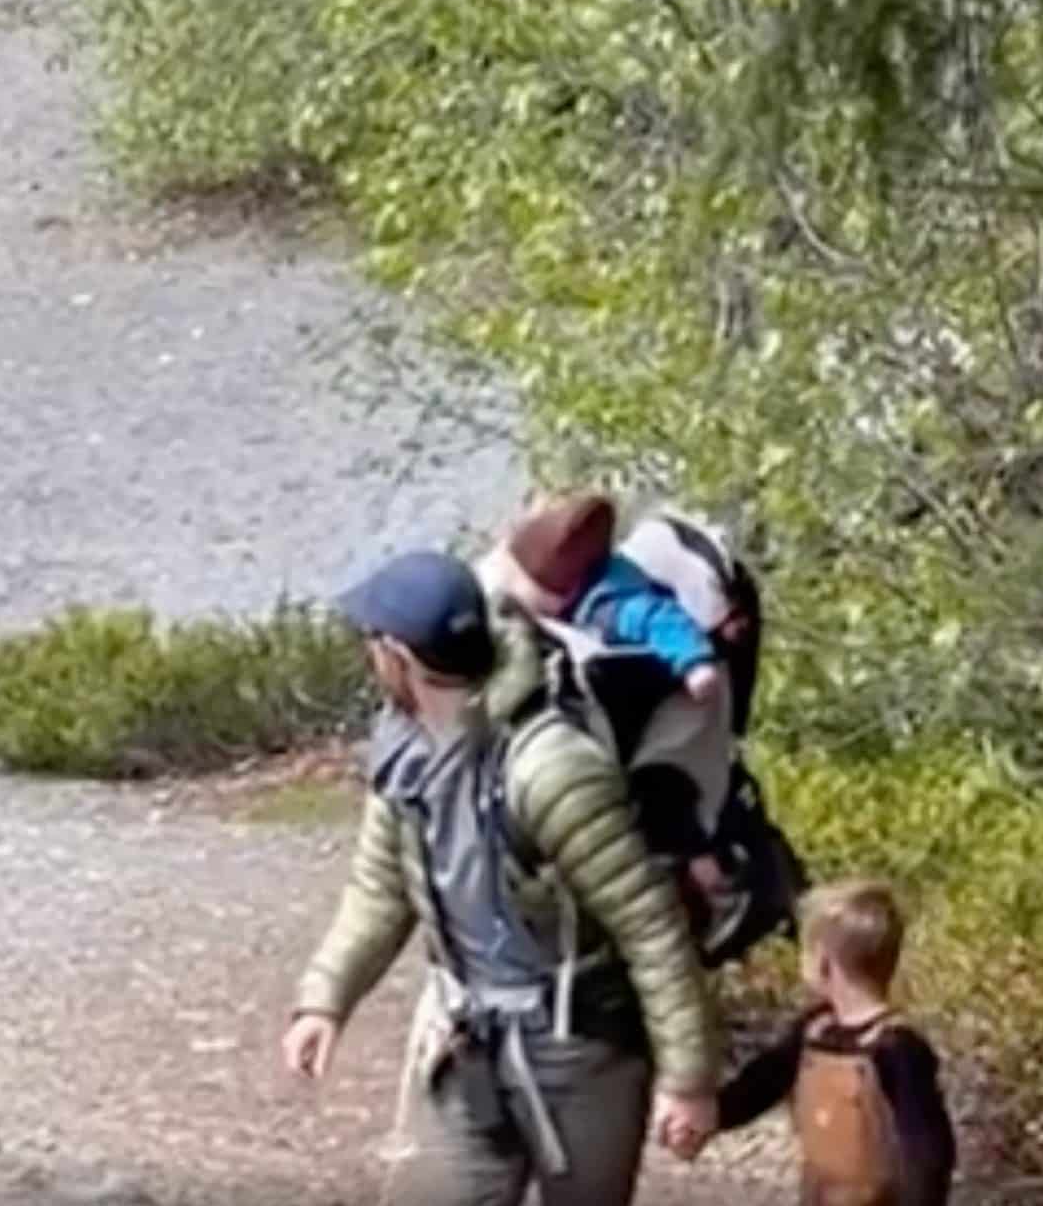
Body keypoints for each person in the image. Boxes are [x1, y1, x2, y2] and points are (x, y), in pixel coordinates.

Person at [281, 549, 722, 1206]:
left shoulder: (552, 767)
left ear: (400, 656)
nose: (369, 658)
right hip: (467, 1040)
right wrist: (325, 999)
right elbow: (378, 890)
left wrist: (688, 1079)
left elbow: (649, 926)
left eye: (372, 644)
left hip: (583, 1047)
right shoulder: (402, 751)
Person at [475, 494, 744, 949]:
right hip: (639, 705)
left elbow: (665, 620)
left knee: (669, 809)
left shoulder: (611, 604)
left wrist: (694, 663)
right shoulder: (580, 575)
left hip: (672, 718)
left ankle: (713, 884)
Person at [676, 878, 957, 1206]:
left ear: (824, 963)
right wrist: (711, 1115)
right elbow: (761, 1084)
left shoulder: (897, 1048)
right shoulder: (814, 1031)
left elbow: (927, 1151)